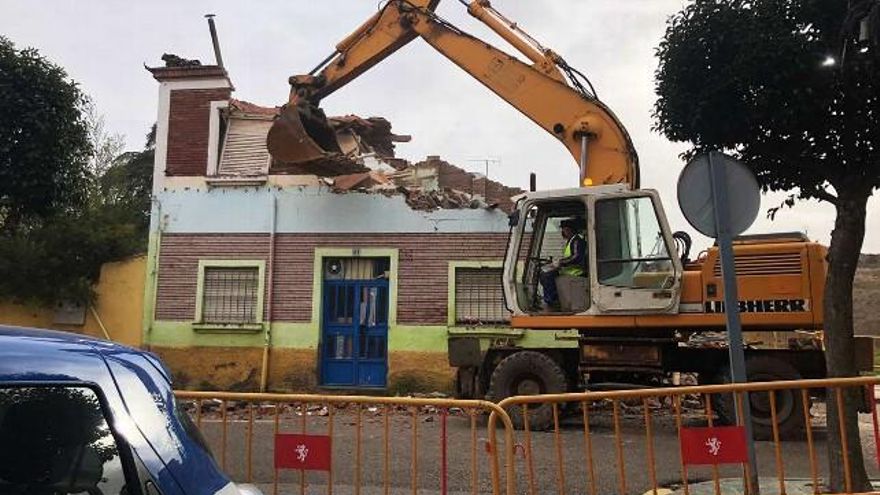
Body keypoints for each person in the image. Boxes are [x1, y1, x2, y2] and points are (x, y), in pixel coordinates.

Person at [539, 218, 586, 311]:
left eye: (563, 229)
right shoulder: (571, 241)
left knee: (547, 275)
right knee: (545, 273)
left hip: (575, 273)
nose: (562, 232)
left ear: (568, 229)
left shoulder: (577, 241)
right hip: (568, 271)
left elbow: (577, 257)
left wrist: (560, 262)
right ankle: (552, 299)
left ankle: (552, 301)